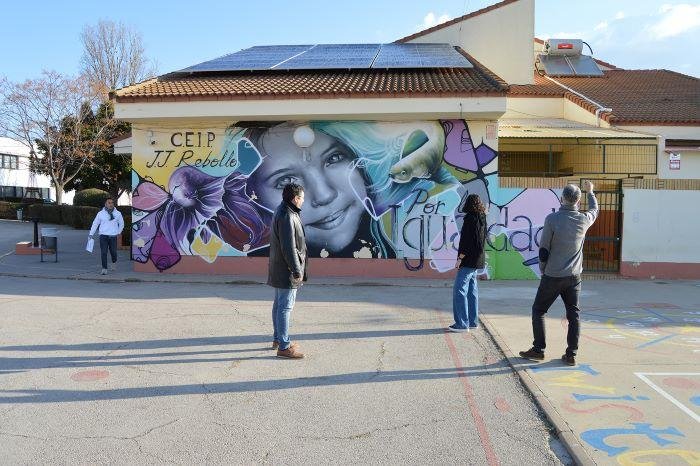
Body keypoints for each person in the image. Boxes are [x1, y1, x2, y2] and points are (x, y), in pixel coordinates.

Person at [519, 181, 598, 366]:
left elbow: (544, 248)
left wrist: (543, 267)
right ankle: (571, 354)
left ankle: (538, 349)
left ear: (562, 198)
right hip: (574, 277)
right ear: (578, 200)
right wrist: (591, 192)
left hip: (553, 275)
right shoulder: (584, 219)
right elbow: (595, 209)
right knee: (573, 315)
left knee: (538, 310)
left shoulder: (552, 219)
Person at [268, 183, 308, 359]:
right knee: (285, 307)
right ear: (295, 198)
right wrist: (297, 270)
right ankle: (284, 347)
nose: (303, 202)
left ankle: (279, 339)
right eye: (302, 198)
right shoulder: (287, 215)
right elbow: (289, 247)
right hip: (287, 269)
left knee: (279, 304)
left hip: (279, 267)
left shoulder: (282, 210)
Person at [448, 194, 487, 332]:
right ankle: (472, 321)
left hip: (468, 259)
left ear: (468, 204)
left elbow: (466, 241)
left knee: (459, 289)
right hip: (478, 259)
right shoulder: (482, 217)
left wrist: (460, 259)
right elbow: (480, 240)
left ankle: (461, 324)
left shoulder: (469, 218)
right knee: (472, 290)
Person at [88, 198, 124, 275]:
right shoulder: (100, 213)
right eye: (109, 203)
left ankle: (114, 262)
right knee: (104, 252)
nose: (111, 204)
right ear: (105, 204)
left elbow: (121, 224)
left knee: (113, 252)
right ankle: (104, 268)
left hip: (113, 236)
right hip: (103, 236)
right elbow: (95, 224)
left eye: (112, 203)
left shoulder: (118, 213)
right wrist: (91, 234)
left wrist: (118, 232)